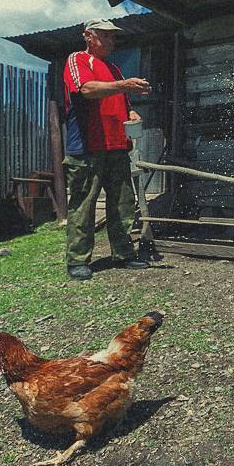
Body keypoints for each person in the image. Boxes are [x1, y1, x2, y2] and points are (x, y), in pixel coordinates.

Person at [62, 18, 152, 280]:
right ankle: (77, 260)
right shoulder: (78, 60)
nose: (111, 42)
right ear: (88, 36)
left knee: (123, 203)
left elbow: (122, 104)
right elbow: (86, 89)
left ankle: (123, 254)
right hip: (88, 146)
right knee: (84, 205)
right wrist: (124, 85)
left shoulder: (114, 69)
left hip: (117, 146)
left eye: (113, 38)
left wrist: (132, 113)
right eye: (105, 36)